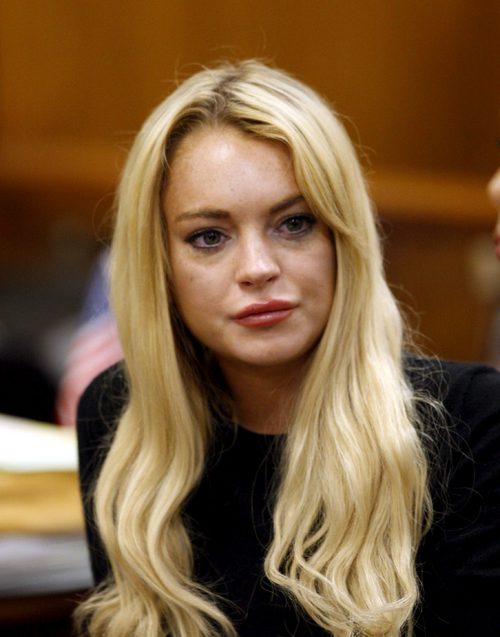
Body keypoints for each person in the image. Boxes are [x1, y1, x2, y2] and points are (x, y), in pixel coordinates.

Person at [75, 61, 500, 637]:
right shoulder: (120, 418)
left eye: (294, 223)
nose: (257, 268)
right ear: (161, 265)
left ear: (342, 238)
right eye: (209, 237)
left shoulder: (473, 422)